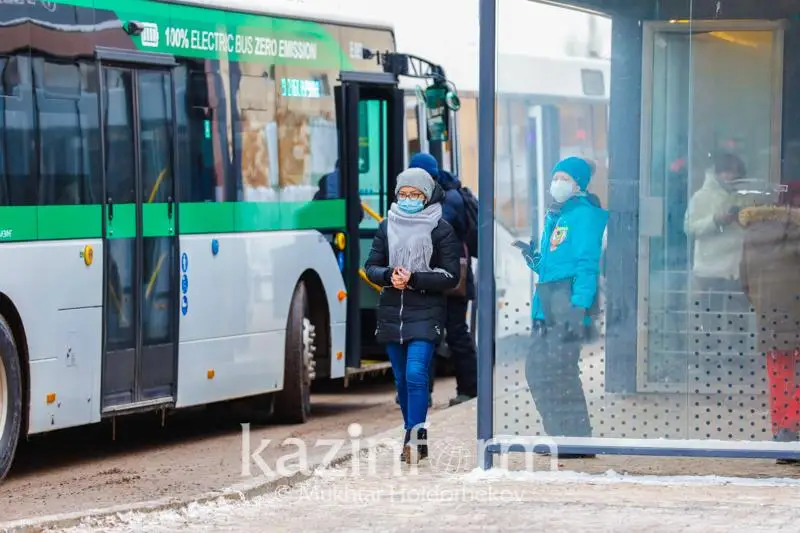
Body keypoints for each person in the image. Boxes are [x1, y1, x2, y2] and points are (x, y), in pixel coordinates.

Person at [364, 167, 461, 464]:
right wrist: (389, 275)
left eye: (415, 194)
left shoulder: (441, 229)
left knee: (416, 373)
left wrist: (415, 279)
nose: (408, 199)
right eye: (403, 194)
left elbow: (451, 276)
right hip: (392, 312)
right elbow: (371, 267)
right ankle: (416, 435)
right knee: (401, 381)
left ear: (426, 196)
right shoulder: (386, 227)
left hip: (426, 312)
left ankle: (413, 437)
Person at [521, 156, 607, 458]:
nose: (558, 183)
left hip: (567, 305)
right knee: (540, 370)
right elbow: (555, 266)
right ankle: (564, 438)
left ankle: (576, 441)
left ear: (579, 184)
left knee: (559, 372)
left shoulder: (583, 215)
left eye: (565, 178)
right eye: (556, 177)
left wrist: (579, 307)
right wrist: (534, 260)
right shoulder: (558, 215)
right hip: (548, 304)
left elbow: (587, 266)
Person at [408, 153, 478, 406]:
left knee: (453, 333)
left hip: (449, 280)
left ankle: (469, 390)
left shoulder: (448, 199)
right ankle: (422, 393)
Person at [684, 152, 747, 310]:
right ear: (717, 172)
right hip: (710, 271)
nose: (732, 176)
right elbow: (690, 227)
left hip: (736, 270)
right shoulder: (700, 197)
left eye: (736, 172)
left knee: (738, 318)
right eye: (728, 171)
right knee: (711, 317)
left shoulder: (741, 197)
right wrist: (715, 221)